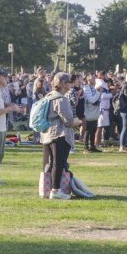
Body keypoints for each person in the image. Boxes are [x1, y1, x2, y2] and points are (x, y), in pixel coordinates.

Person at [40, 72, 82, 200]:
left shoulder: (49, 96)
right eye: (69, 82)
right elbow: (68, 121)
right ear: (63, 84)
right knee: (58, 163)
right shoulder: (61, 99)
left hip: (47, 134)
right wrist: (78, 122)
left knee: (51, 163)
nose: (70, 84)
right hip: (59, 134)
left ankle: (47, 189)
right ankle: (56, 190)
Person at [82, 74, 101, 152]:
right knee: (88, 130)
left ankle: (92, 146)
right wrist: (98, 93)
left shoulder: (93, 88)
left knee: (93, 130)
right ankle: (86, 147)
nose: (94, 79)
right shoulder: (86, 88)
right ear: (88, 79)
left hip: (95, 112)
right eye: (93, 78)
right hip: (89, 112)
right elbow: (92, 100)